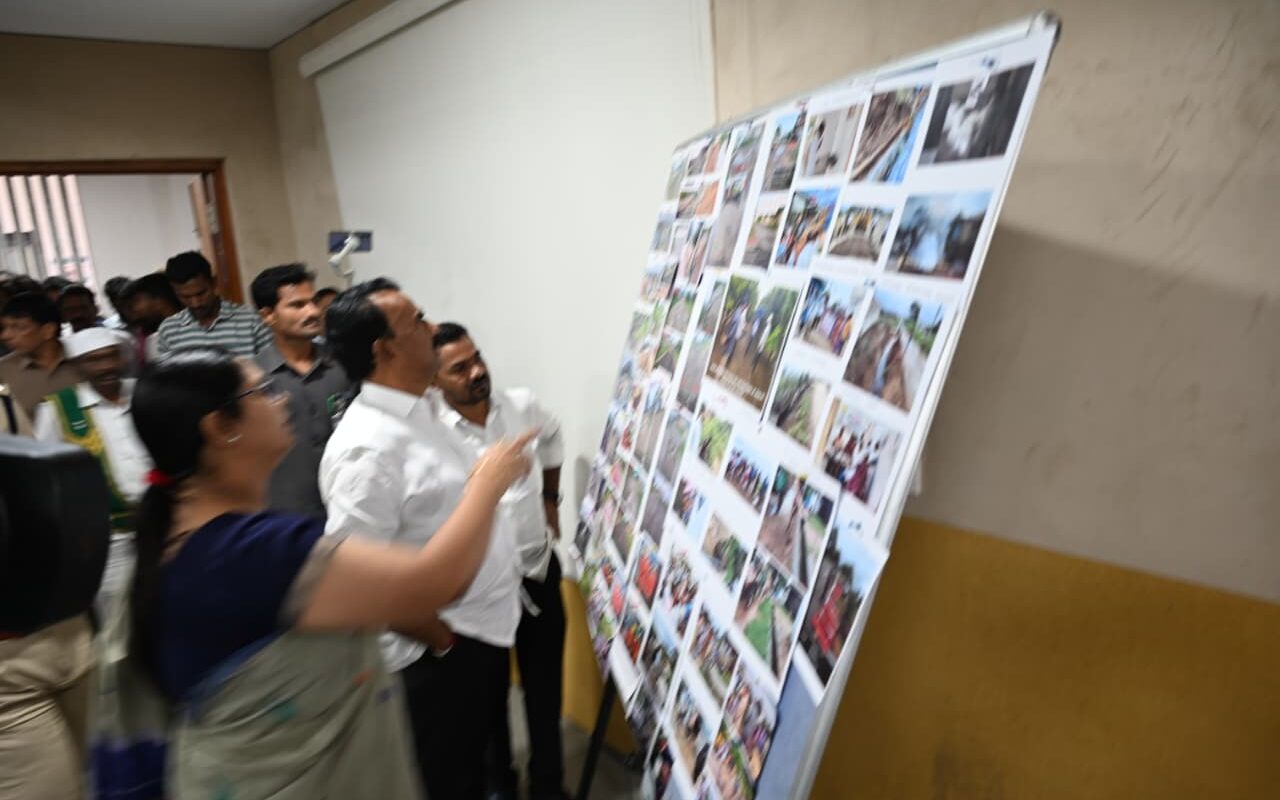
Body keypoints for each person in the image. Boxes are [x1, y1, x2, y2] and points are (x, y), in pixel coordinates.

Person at [94, 347, 534, 799]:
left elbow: (359, 597)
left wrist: (422, 626)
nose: (281, 399)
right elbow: (436, 582)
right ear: (221, 427)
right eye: (262, 391)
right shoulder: (248, 553)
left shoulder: (183, 540)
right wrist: (487, 483)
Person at [321, 280, 526, 800]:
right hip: (437, 656)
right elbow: (357, 582)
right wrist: (442, 643)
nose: (432, 329)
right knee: (446, 782)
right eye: (417, 321)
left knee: (471, 770)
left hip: (475, 634)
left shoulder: (425, 409)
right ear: (383, 348)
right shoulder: (366, 449)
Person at [431, 322, 569, 800]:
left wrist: (551, 499)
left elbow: (552, 436)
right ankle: (500, 787)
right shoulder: (434, 433)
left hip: (536, 572)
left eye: (477, 358)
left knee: (545, 690)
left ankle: (549, 785)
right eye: (460, 368)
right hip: (479, 587)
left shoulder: (520, 405)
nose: (477, 372)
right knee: (487, 702)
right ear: (434, 381)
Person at [33, 328, 152, 619]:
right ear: (77, 366)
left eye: (112, 356)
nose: (107, 366)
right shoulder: (59, 408)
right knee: (117, 617)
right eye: (94, 360)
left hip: (162, 522)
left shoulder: (145, 391)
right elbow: (45, 474)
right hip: (109, 537)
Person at [250, 264, 351, 517]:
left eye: (314, 302)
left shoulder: (344, 365)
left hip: (348, 506)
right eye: (297, 305)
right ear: (267, 315)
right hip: (287, 516)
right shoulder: (252, 379)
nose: (313, 311)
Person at [155, 251, 270, 357]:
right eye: (185, 297)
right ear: (175, 292)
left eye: (201, 293)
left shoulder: (251, 320)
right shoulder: (169, 330)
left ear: (214, 283)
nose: (195, 303)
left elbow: (270, 371)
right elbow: (166, 378)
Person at [0, 291, 81, 421]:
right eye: (5, 327)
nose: (5, 336)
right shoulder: (3, 372)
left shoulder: (84, 360)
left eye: (17, 327)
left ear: (48, 330)